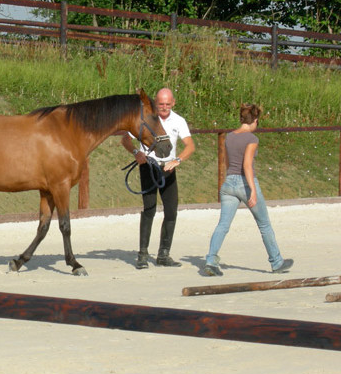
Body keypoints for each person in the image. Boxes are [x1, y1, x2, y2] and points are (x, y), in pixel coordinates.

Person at [203, 104, 293, 276]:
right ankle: (276, 262)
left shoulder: (229, 136)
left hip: (229, 182)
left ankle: (211, 261)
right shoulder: (252, 139)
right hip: (245, 183)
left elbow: (228, 162)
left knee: (223, 225)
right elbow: (247, 166)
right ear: (255, 120)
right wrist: (252, 190)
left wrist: (231, 179)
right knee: (264, 224)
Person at [122, 87, 195, 269]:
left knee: (171, 211)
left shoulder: (178, 121)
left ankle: (164, 254)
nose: (164, 107)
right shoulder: (146, 118)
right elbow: (125, 139)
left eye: (167, 104)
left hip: (168, 168)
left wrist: (178, 160)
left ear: (173, 103)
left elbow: (190, 146)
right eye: (161, 104)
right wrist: (136, 152)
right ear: (156, 103)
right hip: (149, 166)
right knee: (149, 210)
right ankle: (142, 254)